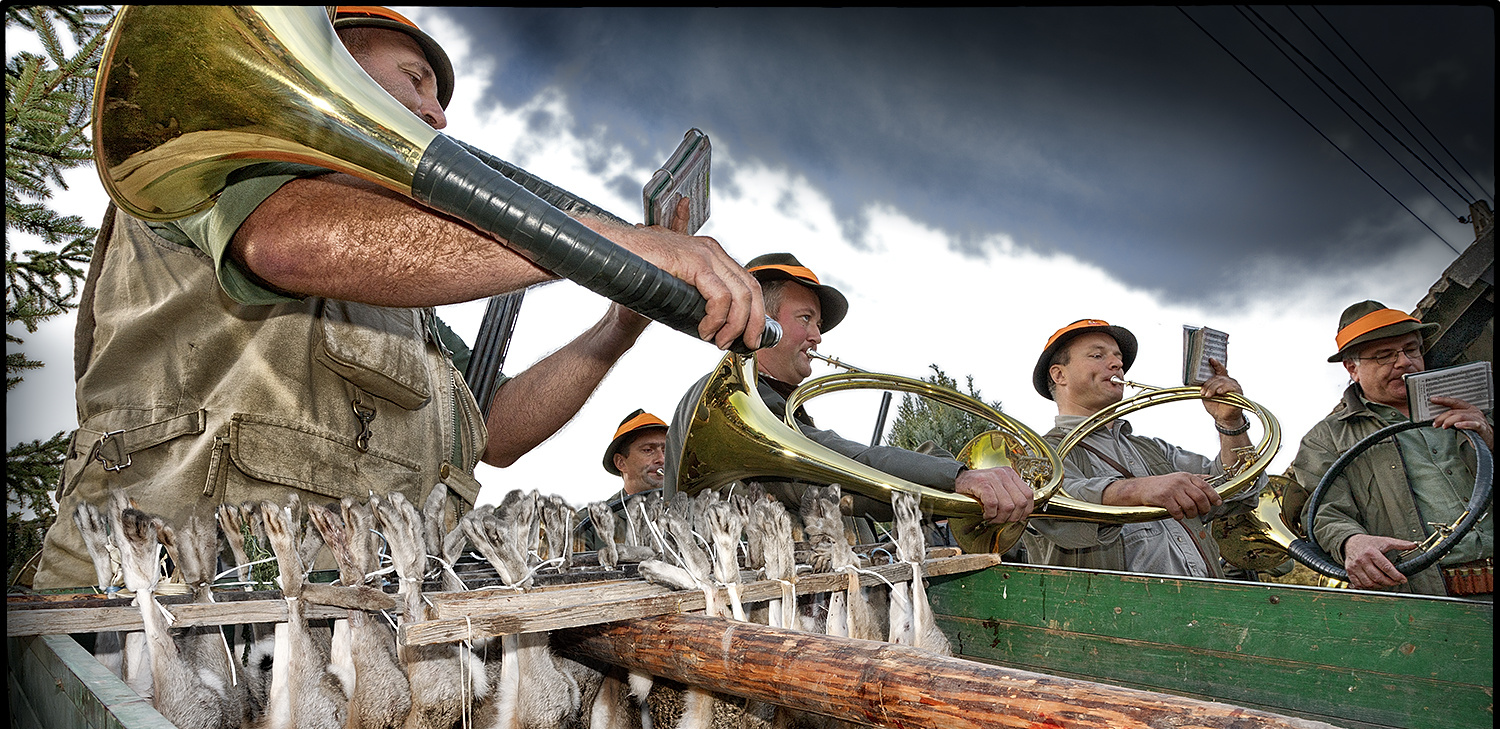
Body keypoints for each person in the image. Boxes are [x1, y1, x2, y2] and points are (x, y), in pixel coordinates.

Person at [34, 6, 765, 590]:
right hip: (157, 595)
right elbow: (284, 242)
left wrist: (617, 325)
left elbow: (492, 436)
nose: (438, 114)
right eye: (416, 80)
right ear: (333, 57)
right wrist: (612, 246)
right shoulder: (214, 140)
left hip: (324, 614)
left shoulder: (398, 297)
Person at [662, 252, 1034, 541]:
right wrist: (952, 478)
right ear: (761, 320)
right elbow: (837, 466)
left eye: (818, 325)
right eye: (805, 319)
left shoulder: (780, 406)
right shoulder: (734, 400)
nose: (818, 337)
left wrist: (941, 482)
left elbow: (833, 489)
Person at [1022, 318, 1261, 577]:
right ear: (1059, 375)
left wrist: (1231, 423)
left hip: (1205, 607)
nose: (1117, 364)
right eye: (1097, 355)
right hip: (1113, 615)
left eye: (1118, 358)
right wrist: (1139, 489)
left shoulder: (1154, 449)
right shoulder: (1039, 453)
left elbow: (1241, 489)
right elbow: (1055, 500)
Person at [1287, 300, 1494, 597]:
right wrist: (1351, 542)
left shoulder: (1475, 406)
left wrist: (1488, 434)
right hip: (1430, 598)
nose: (1404, 362)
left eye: (1411, 349)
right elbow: (1324, 513)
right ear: (1352, 368)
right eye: (1384, 356)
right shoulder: (1326, 438)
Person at [579, 409, 668, 549]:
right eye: (648, 450)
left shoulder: (695, 514)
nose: (661, 459)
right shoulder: (589, 522)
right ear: (621, 463)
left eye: (666, 450)